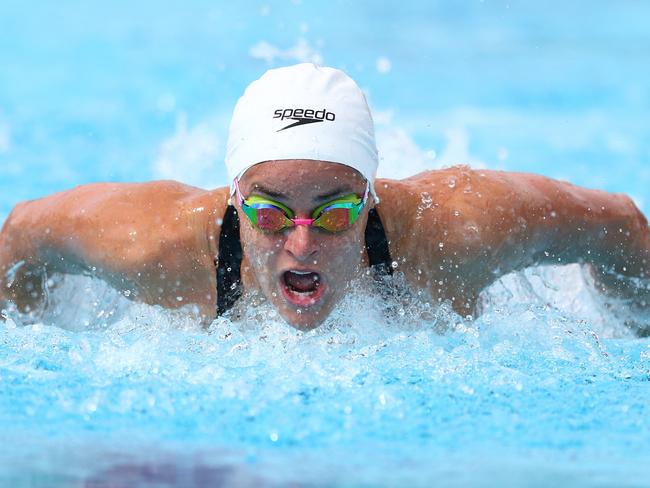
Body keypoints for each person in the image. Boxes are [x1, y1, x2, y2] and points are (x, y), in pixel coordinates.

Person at [1, 64, 648, 330]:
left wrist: (635, 338)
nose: (302, 243)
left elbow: (619, 223)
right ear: (234, 199)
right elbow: (21, 235)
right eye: (271, 213)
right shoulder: (155, 247)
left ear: (369, 199)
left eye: (335, 213)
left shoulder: (457, 232)